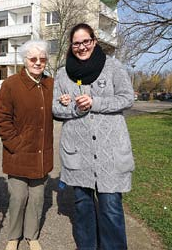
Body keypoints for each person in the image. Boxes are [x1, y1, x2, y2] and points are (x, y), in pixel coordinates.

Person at [53, 23, 134, 250]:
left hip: (109, 151)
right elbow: (56, 110)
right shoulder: (62, 73)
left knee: (111, 207)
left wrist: (94, 102)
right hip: (78, 152)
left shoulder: (113, 66)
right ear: (71, 46)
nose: (81, 47)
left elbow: (127, 98)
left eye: (86, 41)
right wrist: (73, 108)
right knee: (82, 206)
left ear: (94, 41)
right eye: (76, 43)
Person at [0, 40, 53, 250]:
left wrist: (66, 102)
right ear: (25, 60)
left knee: (37, 199)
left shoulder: (50, 84)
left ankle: (32, 235)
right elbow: (1, 118)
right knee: (18, 197)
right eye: (33, 58)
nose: (38, 62)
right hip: (18, 153)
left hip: (40, 154)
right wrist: (15, 144)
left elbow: (59, 112)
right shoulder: (10, 84)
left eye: (42, 59)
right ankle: (13, 236)